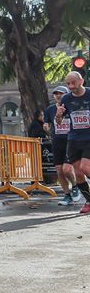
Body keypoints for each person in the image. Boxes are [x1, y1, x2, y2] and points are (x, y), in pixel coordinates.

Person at [55, 71, 90, 214]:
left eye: (73, 83)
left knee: (85, 167)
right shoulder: (66, 99)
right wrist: (58, 115)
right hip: (74, 139)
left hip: (89, 138)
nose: (70, 86)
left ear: (81, 81)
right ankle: (88, 201)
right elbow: (58, 121)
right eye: (68, 84)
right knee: (78, 172)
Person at [45, 86, 80, 206]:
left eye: (61, 93)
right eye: (56, 94)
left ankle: (75, 186)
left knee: (67, 169)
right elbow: (47, 124)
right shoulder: (49, 110)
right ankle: (67, 195)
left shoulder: (72, 107)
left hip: (71, 141)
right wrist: (46, 127)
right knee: (59, 170)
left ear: (67, 94)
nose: (58, 95)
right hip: (57, 142)